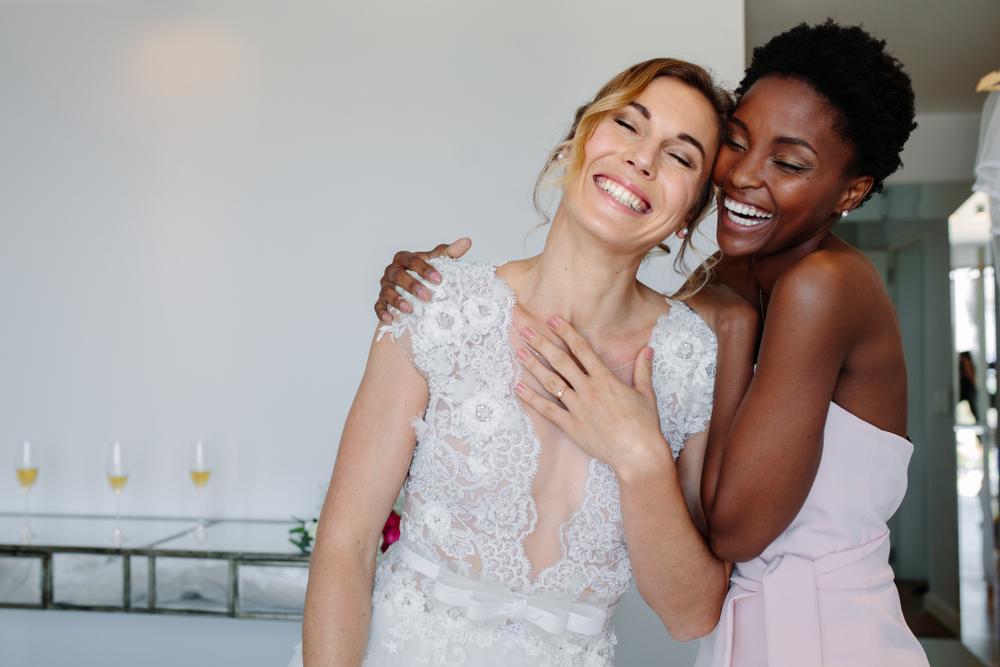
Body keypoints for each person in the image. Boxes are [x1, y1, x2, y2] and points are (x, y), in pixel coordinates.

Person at [373, 20, 930, 667]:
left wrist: (731, 330)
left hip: (825, 631)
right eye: (739, 142)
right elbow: (634, 336)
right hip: (746, 622)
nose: (745, 175)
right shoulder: (731, 273)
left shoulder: (822, 286)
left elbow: (733, 529)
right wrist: (430, 292)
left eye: (788, 163)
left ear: (852, 190)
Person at [298, 58, 750, 667]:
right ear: (578, 141)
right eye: (628, 124)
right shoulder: (438, 305)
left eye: (681, 156)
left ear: (690, 213)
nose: (643, 159)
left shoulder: (691, 361)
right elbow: (345, 543)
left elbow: (691, 614)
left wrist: (640, 457)